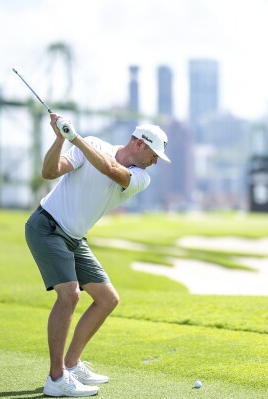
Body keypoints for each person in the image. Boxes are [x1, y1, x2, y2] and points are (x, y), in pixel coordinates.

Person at [25, 113, 170, 397]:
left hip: (75, 238)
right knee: (70, 295)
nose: (156, 162)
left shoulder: (141, 177)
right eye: (154, 155)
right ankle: (56, 379)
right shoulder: (90, 144)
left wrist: (74, 138)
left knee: (107, 299)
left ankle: (72, 364)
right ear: (139, 144)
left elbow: (110, 170)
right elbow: (50, 172)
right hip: (47, 227)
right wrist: (59, 139)